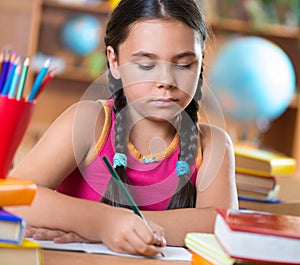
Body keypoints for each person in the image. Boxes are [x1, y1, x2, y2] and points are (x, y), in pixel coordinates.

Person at [8, 0, 238, 257]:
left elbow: (221, 226)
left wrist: (114, 227)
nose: (166, 81)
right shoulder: (89, 121)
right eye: (146, 65)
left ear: (200, 63)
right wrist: (103, 223)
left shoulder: (212, 144)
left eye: (184, 64)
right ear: (114, 61)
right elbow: (14, 197)